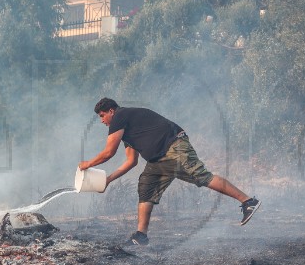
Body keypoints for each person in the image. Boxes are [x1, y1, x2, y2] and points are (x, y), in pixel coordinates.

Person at [78, 97, 260, 245]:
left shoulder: (120, 116)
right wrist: (108, 180)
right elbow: (131, 162)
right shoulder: (127, 130)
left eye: (102, 116)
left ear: (111, 111)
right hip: (158, 160)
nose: (102, 121)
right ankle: (141, 235)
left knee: (202, 176)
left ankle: (248, 201)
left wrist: (88, 164)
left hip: (174, 146)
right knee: (146, 187)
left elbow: (109, 152)